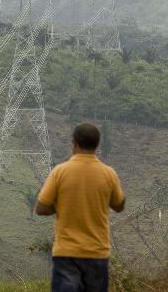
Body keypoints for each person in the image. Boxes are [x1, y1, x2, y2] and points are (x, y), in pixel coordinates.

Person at [35, 122, 125, 292]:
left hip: (66, 254)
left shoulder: (60, 171)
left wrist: (61, 205)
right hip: (97, 253)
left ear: (73, 143)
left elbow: (41, 208)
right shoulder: (109, 174)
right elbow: (119, 205)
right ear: (97, 145)